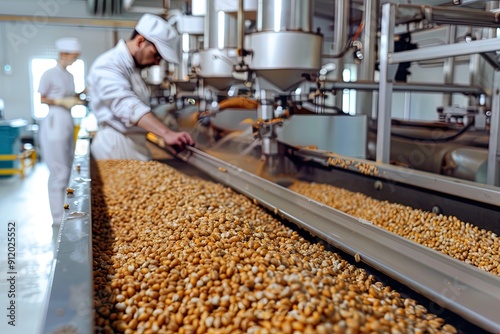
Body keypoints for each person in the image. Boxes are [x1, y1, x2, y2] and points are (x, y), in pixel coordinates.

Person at [87, 13, 195, 161]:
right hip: (116, 145)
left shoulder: (133, 69)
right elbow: (127, 105)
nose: (157, 63)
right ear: (140, 41)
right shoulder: (108, 64)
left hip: (133, 143)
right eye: (156, 55)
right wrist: (167, 134)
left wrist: (163, 133)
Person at [38, 37, 86, 226]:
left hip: (66, 119)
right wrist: (59, 101)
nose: (73, 60)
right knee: (59, 170)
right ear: (63, 54)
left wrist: (78, 96)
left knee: (67, 168)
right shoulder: (49, 73)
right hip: (54, 120)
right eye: (72, 56)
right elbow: (42, 98)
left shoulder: (69, 76)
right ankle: (57, 218)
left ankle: (66, 210)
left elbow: (70, 96)